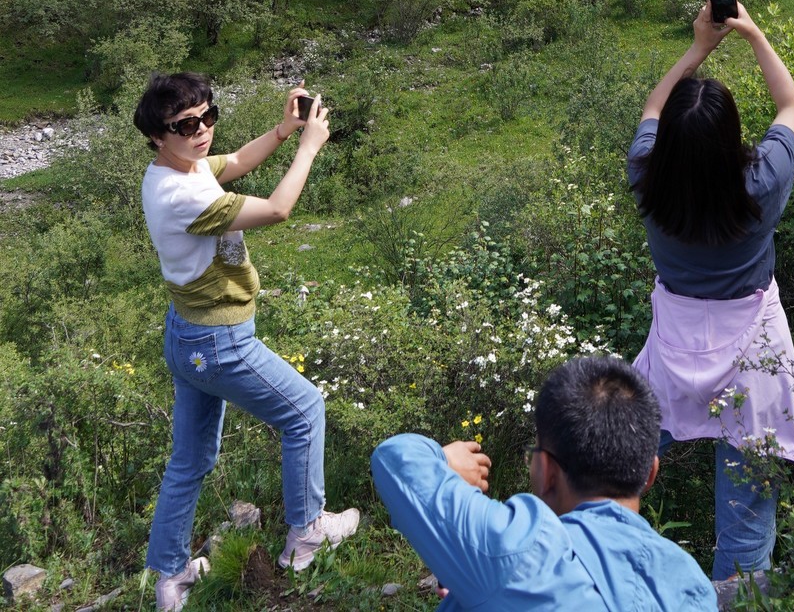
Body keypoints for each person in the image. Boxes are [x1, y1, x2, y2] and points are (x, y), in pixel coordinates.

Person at [135, 73, 360, 610]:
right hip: (219, 340)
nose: (202, 131)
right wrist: (307, 149)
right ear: (157, 135)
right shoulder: (180, 196)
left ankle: (168, 576)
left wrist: (282, 131)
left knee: (190, 459)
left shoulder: (172, 169)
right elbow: (279, 210)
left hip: (186, 334)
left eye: (208, 116)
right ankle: (306, 532)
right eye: (186, 125)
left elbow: (230, 163)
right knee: (305, 411)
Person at [627, 0, 794, 606]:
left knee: (620, 455)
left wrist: (699, 46)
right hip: (752, 349)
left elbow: (654, 108)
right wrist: (754, 34)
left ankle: (589, 556)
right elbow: (791, 104)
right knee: (747, 499)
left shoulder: (647, 177)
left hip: (675, 342)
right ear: (735, 138)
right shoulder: (759, 184)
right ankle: (737, 593)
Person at [371, 354, 716, 609]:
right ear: (650, 474)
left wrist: (447, 460)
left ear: (545, 470)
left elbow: (395, 458)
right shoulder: (691, 582)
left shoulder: (518, 551)